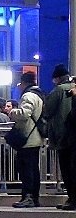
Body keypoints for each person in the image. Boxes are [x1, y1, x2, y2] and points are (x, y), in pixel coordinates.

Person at [10, 71, 46, 208]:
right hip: (35, 137)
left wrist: (13, 112)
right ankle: (34, 197)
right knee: (33, 168)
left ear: (24, 83)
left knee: (26, 169)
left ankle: (28, 197)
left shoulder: (28, 95)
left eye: (20, 84)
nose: (19, 86)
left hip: (28, 137)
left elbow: (25, 113)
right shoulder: (39, 94)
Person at [43, 64, 75, 197]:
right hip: (72, 134)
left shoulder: (58, 91)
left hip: (62, 134)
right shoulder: (73, 88)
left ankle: (72, 198)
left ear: (58, 78)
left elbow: (47, 111)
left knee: (66, 168)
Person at [58, 87, 76, 210]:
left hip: (73, 141)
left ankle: (74, 200)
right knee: (69, 169)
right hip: (70, 141)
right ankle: (72, 198)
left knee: (72, 170)